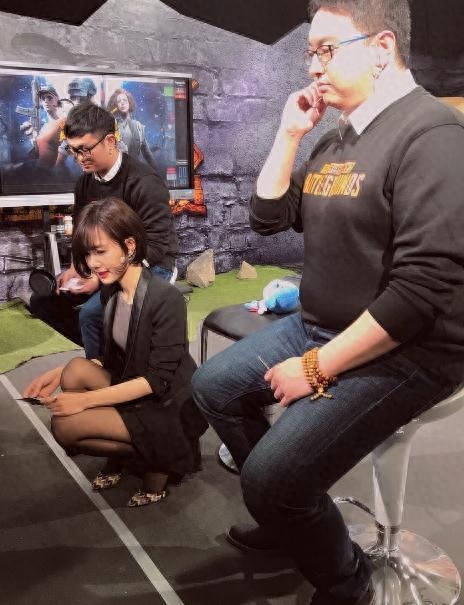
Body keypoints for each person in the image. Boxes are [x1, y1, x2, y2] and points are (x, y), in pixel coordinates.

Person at [192, 0, 464, 603]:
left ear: (382, 48)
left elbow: (420, 292)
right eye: (310, 53)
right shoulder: (336, 139)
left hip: (409, 350)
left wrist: (316, 368)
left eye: (327, 50)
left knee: (271, 479)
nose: (313, 66)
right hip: (319, 324)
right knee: (213, 387)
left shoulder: (433, 134)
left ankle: (346, 581)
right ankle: (293, 515)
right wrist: (290, 133)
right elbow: (268, 218)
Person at [24, 198, 206, 506]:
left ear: (129, 246)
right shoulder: (112, 290)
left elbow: (157, 380)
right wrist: (58, 374)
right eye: (87, 253)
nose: (93, 263)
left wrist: (85, 401)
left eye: (100, 251)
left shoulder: (166, 298)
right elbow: (112, 357)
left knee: (65, 426)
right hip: (135, 382)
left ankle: (160, 460)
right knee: (74, 371)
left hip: (167, 405)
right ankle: (127, 454)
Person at [29, 102, 179, 360]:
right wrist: (77, 268)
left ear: (110, 141)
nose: (79, 158)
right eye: (73, 150)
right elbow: (82, 235)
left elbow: (155, 246)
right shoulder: (84, 183)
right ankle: (109, 356)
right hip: (105, 263)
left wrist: (100, 277)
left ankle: (102, 370)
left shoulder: (144, 183)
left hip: (150, 264)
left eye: (85, 149)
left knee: (91, 315)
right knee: (42, 302)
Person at [107, 88, 157, 170]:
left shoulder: (138, 126)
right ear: (116, 106)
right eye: (119, 101)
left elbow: (147, 154)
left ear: (129, 103)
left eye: (125, 100)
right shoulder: (112, 126)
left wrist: (158, 172)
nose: (122, 103)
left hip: (133, 172)